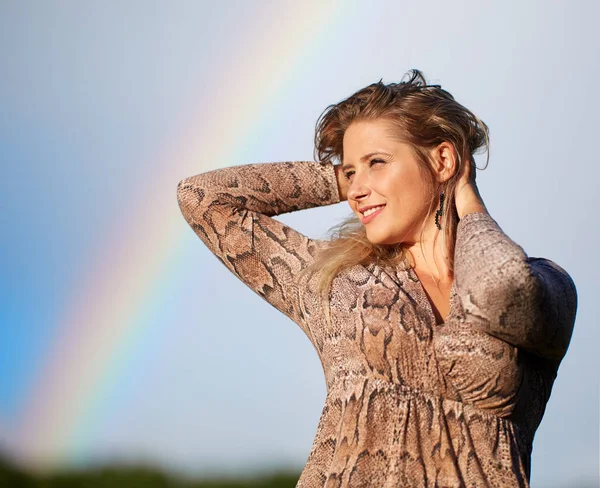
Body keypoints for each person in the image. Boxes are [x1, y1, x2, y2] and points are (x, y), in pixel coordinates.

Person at [176, 69, 577, 488]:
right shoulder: (331, 277)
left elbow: (500, 286)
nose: (356, 191)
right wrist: (345, 176)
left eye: (377, 163)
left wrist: (468, 198)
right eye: (351, 173)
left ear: (442, 159)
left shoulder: (546, 283)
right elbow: (202, 198)